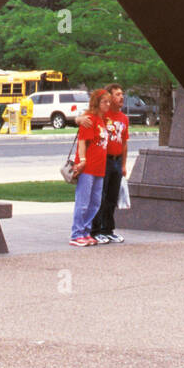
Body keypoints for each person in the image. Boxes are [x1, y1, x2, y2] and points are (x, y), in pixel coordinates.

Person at [79, 83, 129, 244]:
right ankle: (95, 230)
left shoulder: (124, 118)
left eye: (122, 94)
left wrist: (123, 165)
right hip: (103, 161)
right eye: (117, 94)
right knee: (99, 197)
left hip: (117, 161)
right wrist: (79, 118)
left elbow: (125, 143)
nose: (121, 97)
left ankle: (108, 229)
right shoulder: (101, 116)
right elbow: (82, 119)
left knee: (112, 198)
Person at [69, 89, 111, 246]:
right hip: (88, 167)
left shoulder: (102, 120)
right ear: (97, 103)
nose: (107, 104)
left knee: (95, 203)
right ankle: (76, 233)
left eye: (108, 101)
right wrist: (83, 160)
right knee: (83, 201)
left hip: (100, 167)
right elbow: (82, 142)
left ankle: (86, 231)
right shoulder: (89, 119)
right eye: (104, 102)